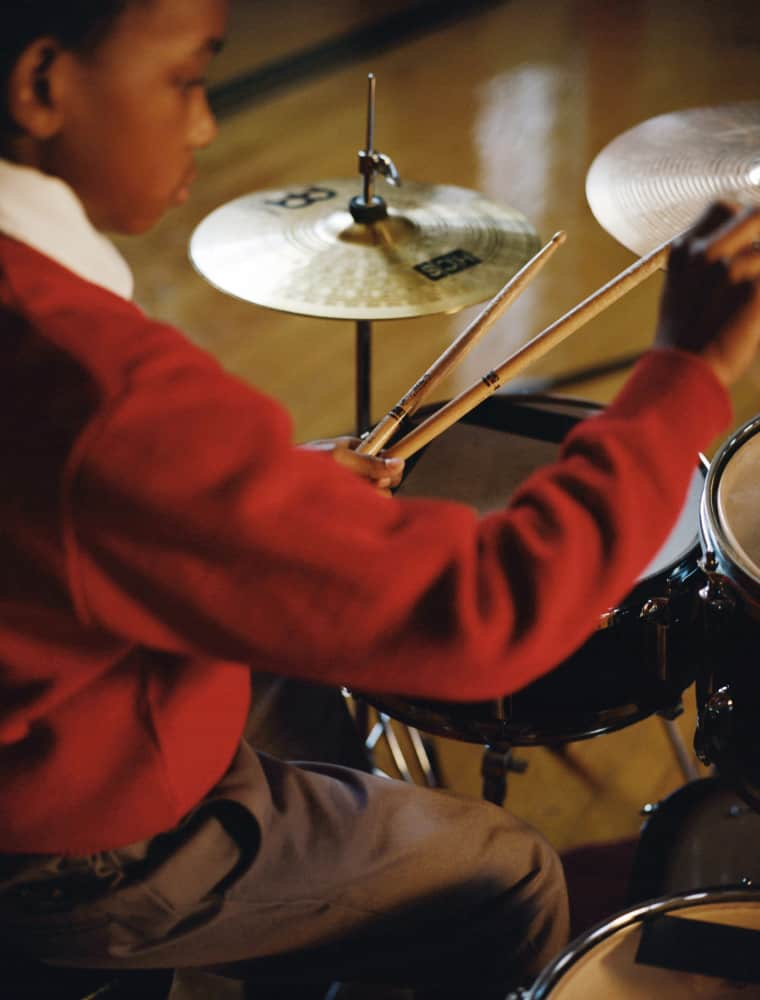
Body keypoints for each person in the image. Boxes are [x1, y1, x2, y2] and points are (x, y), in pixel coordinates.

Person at [0, 1, 759, 997]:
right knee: (507, 874)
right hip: (74, 845)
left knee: (320, 697)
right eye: (189, 77)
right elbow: (481, 614)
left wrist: (279, 495)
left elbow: (72, 522)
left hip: (54, 699)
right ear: (42, 84)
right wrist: (684, 370)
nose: (204, 125)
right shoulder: (91, 379)